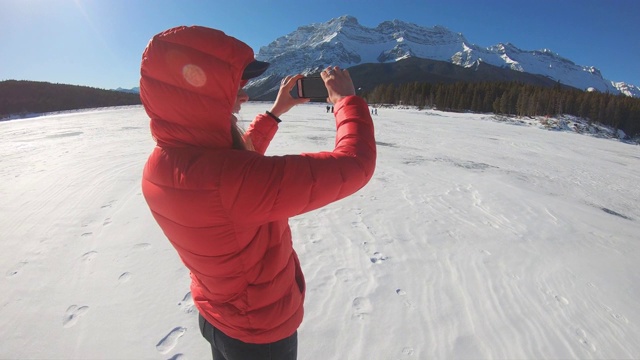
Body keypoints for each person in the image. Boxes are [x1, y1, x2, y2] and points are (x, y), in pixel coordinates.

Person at [139, 26, 376, 360]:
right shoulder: (228, 182)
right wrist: (346, 102)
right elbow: (355, 165)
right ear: (198, 90)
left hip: (216, 317)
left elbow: (235, 166)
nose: (245, 96)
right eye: (234, 86)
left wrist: (276, 112)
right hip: (259, 335)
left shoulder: (161, 165)